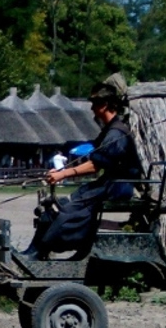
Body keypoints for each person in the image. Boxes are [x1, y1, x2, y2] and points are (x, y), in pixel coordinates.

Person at [20, 76, 142, 260]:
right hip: (108, 183)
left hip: (118, 186)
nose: (92, 108)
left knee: (71, 208)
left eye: (94, 104)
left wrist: (62, 174)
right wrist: (61, 172)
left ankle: (45, 248)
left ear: (104, 105)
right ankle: (35, 249)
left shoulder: (116, 133)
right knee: (63, 202)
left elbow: (95, 165)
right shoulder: (110, 130)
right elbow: (96, 159)